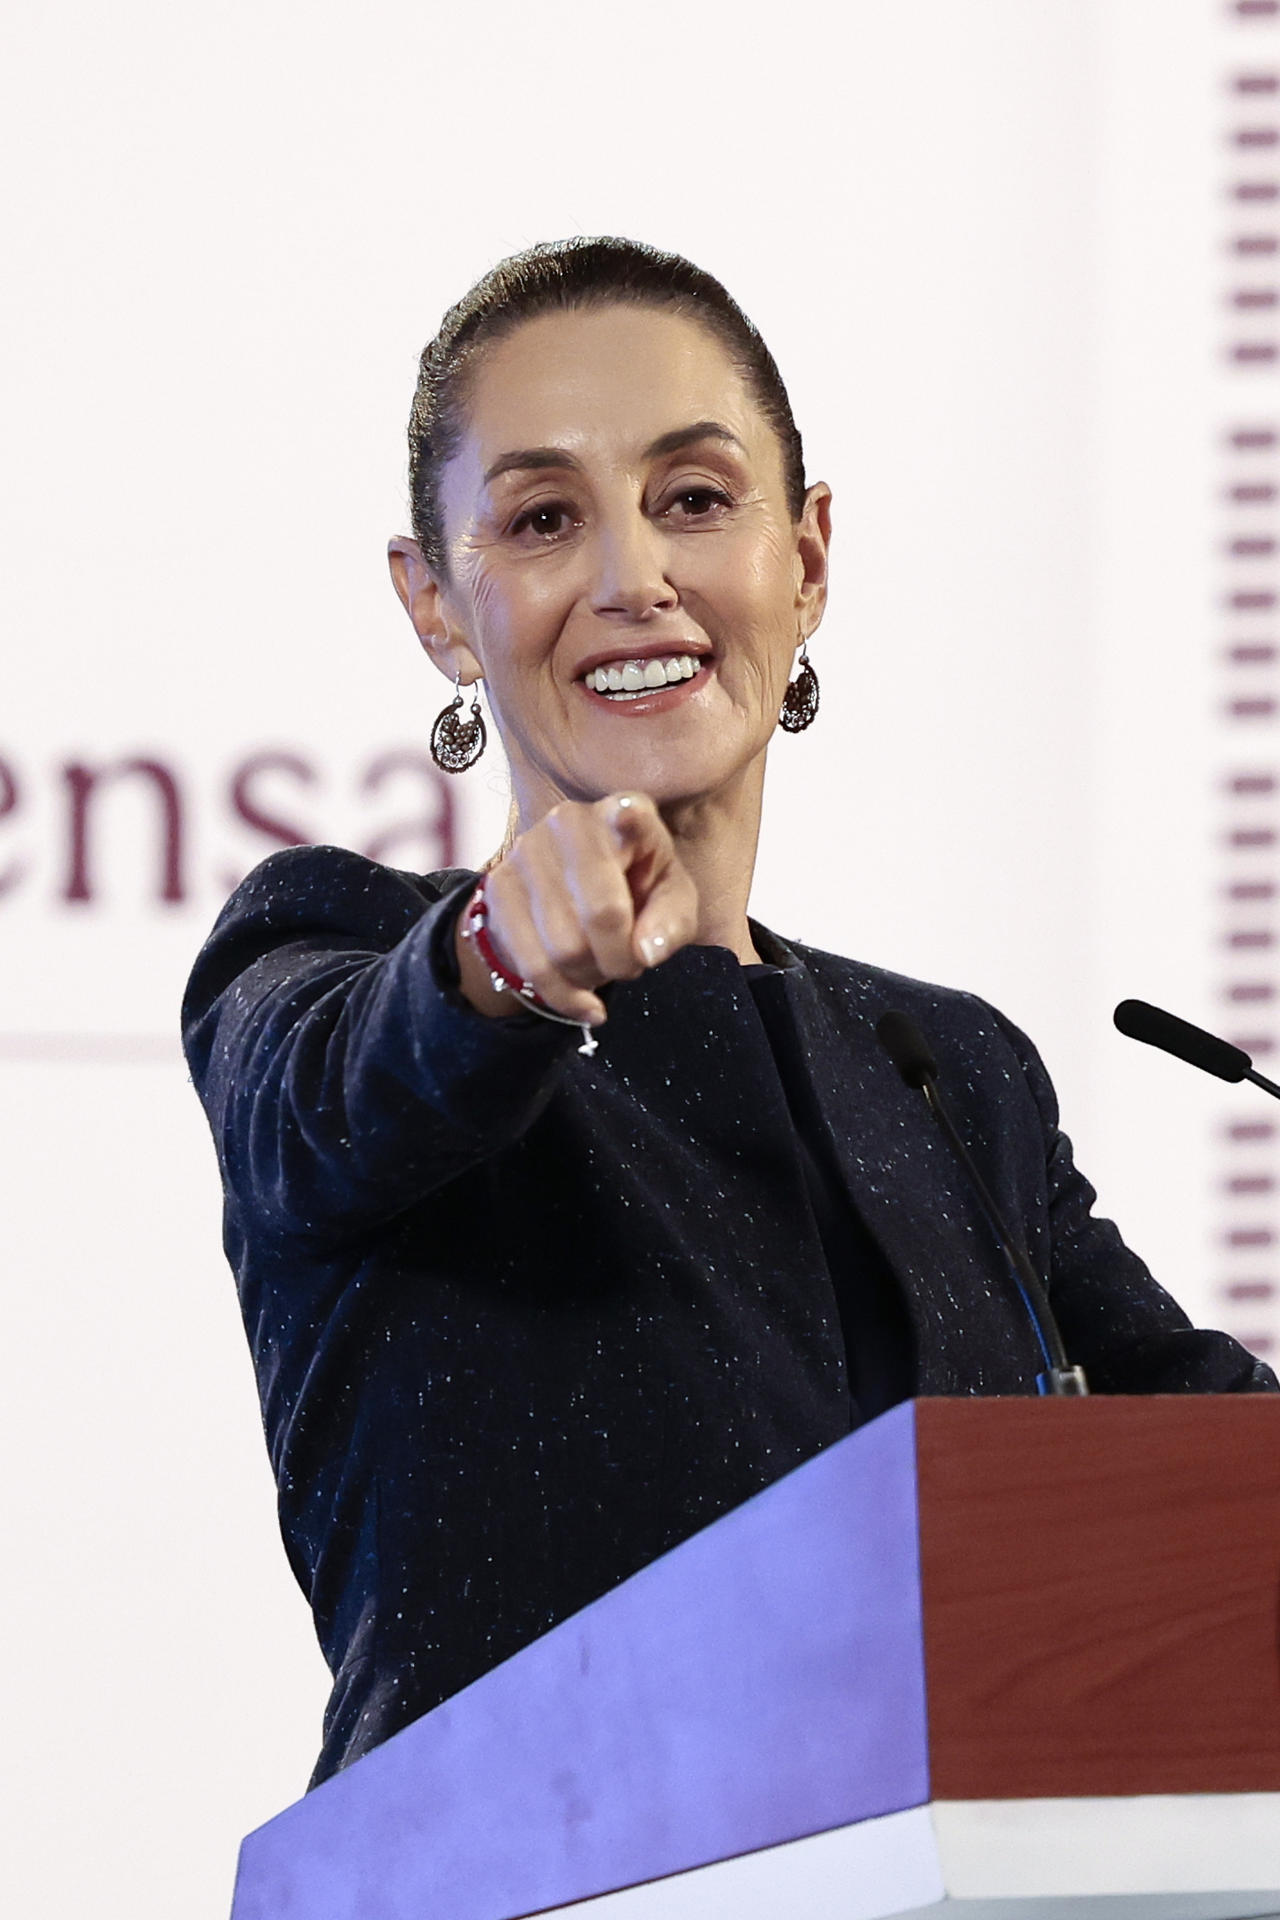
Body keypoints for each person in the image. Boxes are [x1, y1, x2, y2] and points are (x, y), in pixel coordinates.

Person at [182, 236, 1276, 1790]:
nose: (635, 578)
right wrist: (499, 953)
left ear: (808, 557)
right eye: (545, 519)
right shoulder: (342, 946)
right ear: (436, 602)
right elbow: (336, 1099)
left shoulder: (949, 1069)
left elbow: (1212, 1467)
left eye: (696, 499)